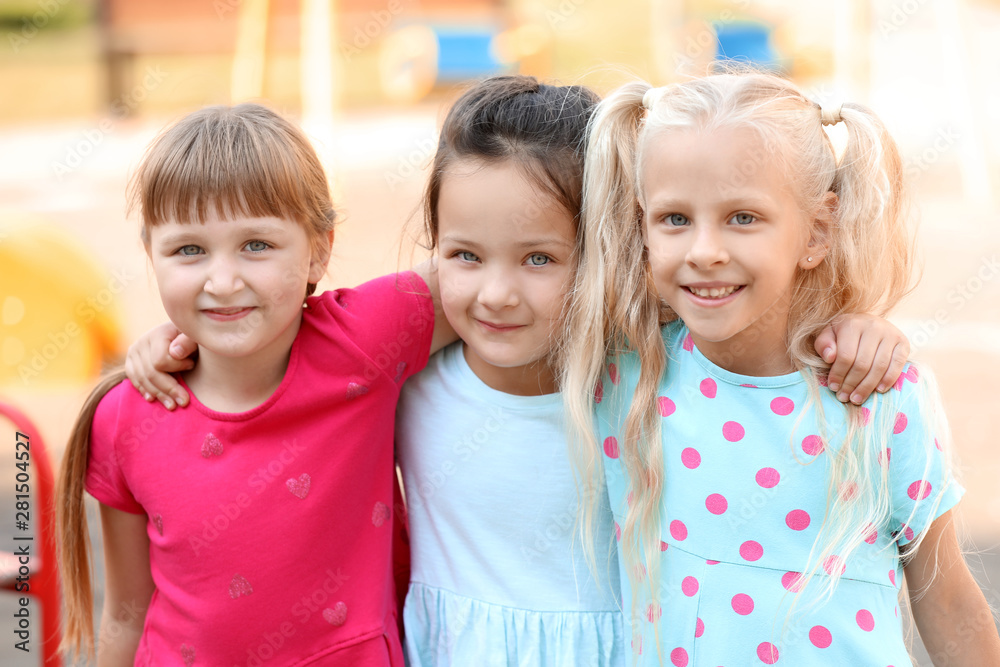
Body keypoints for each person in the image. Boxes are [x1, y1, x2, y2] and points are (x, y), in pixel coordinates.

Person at [124, 77, 912, 666]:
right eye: (463, 255)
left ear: (607, 253)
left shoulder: (650, 366)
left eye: (541, 258)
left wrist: (844, 320)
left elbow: (739, 303)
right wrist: (172, 341)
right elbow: (260, 317)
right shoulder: (405, 363)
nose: (495, 293)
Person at [565, 71, 1000, 666]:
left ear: (817, 232)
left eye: (742, 217)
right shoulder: (624, 378)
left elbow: (947, 600)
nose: (704, 250)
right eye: (673, 219)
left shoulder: (876, 397)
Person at [56, 103, 453, 666]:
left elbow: (486, 265)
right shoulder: (125, 415)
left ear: (319, 248)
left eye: (257, 245)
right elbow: (125, 613)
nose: (222, 281)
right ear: (152, 255)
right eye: (189, 250)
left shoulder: (364, 339)